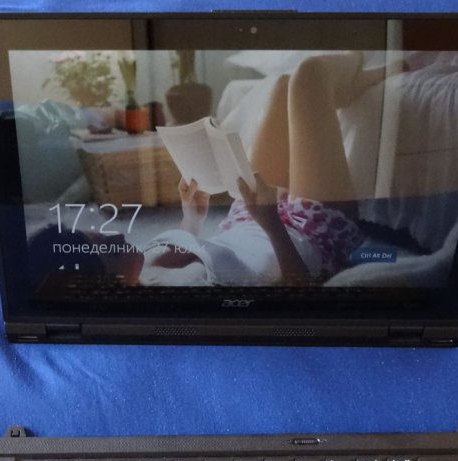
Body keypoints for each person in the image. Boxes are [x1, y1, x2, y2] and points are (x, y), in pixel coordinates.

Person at [137, 51, 391, 286]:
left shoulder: (139, 267)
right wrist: (271, 222)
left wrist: (192, 220)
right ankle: (383, 57)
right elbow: (298, 291)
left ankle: (357, 83)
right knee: (310, 74)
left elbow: (198, 252)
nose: (114, 237)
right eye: (110, 245)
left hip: (247, 217)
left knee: (283, 84)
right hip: (311, 232)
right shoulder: (176, 288)